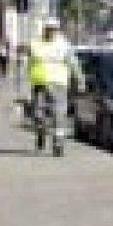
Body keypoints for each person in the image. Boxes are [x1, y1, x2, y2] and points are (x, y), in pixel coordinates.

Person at [27, 19, 83, 155]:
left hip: (59, 83)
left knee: (59, 115)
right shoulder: (35, 43)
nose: (51, 31)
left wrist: (80, 80)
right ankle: (41, 132)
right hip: (39, 83)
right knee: (37, 114)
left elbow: (73, 63)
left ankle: (58, 144)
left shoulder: (64, 45)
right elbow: (28, 62)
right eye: (49, 28)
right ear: (44, 29)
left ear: (58, 30)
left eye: (54, 29)